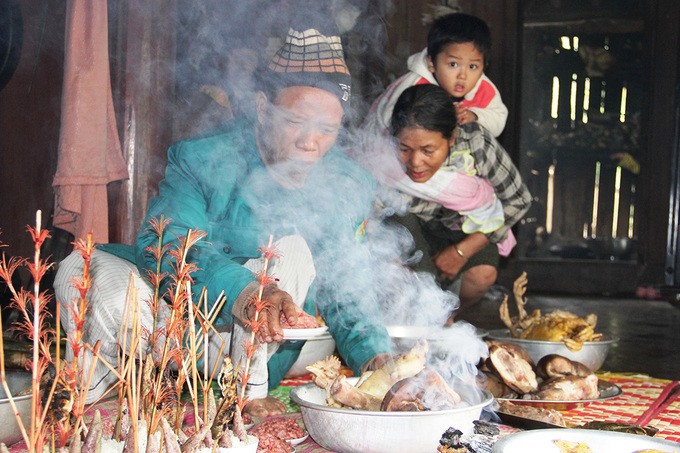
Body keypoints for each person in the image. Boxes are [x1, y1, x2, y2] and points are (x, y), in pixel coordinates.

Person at [54, 23, 393, 418]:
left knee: (292, 250)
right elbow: (167, 242)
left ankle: (248, 394)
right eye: (296, 122)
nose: (310, 142)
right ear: (264, 108)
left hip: (259, 348)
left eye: (326, 130)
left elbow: (348, 282)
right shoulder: (203, 159)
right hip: (174, 326)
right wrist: (247, 292)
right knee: (81, 270)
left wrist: (375, 359)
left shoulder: (346, 183)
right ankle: (100, 395)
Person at [363, 84, 531, 317]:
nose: (415, 162)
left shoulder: (475, 143)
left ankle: (447, 318)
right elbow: (370, 217)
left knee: (481, 275)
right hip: (413, 229)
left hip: (464, 228)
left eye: (428, 150)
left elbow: (518, 200)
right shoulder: (382, 154)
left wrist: (461, 252)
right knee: (399, 268)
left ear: (451, 138)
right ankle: (420, 317)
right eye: (404, 148)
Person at [363, 12, 508, 138]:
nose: (463, 75)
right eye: (453, 64)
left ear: (484, 66)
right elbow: (391, 124)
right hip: (383, 147)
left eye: (472, 66)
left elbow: (499, 120)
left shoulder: (483, 87)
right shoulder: (415, 86)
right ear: (431, 63)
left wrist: (475, 116)